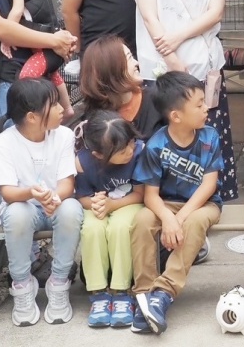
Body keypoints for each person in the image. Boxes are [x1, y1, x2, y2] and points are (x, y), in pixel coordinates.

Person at [133, 0, 238, 201]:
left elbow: (215, 13)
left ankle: (212, 200)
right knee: (164, 142)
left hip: (205, 72)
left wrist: (178, 36)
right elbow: (150, 19)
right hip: (162, 74)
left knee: (208, 137)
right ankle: (164, 204)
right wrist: (173, 61)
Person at [130, 72, 224, 335]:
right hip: (166, 203)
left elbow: (209, 185)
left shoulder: (209, 137)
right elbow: (150, 195)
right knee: (142, 220)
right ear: (176, 116)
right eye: (199, 104)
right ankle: (144, 295)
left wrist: (178, 219)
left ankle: (163, 293)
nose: (206, 109)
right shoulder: (156, 145)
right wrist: (168, 217)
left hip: (203, 204)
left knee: (195, 222)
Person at [0, 78, 83, 326]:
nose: (62, 108)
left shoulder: (63, 135)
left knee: (71, 209)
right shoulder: (6, 141)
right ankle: (22, 285)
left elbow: (67, 183)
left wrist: (55, 198)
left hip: (55, 204)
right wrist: (32, 193)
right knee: (16, 214)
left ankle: (59, 282)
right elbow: (8, 193)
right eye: (54, 105)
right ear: (32, 117)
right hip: (24, 206)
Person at [75, 110, 145, 328]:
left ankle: (121, 290)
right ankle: (98, 293)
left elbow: (141, 194)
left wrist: (112, 205)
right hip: (96, 204)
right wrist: (96, 204)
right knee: (92, 229)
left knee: (121, 227)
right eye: (122, 151)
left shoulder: (140, 153)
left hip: (129, 202)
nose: (130, 150)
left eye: (131, 143)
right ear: (98, 155)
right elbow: (82, 197)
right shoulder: (83, 162)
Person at [0, 0, 74, 119]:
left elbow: (16, 11)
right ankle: (67, 108)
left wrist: (6, 37)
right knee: (53, 75)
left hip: (46, 47)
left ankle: (40, 111)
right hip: (48, 46)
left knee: (26, 77)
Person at [79, 35, 164, 141]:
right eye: (129, 58)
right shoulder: (94, 120)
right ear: (112, 70)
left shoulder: (158, 99)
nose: (136, 63)